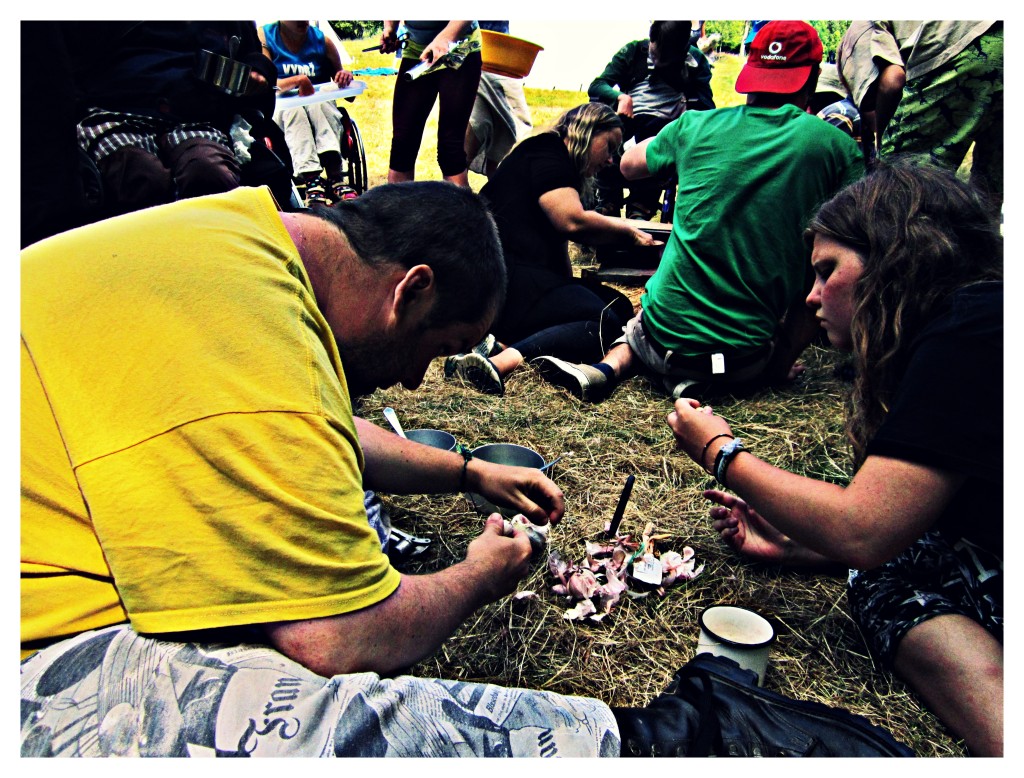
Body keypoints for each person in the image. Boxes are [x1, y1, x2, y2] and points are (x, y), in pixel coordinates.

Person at [20, 182, 912, 758]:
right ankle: (668, 746)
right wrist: (480, 573)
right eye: (433, 347)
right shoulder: (259, 346)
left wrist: (468, 472)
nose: (415, 382)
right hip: (35, 669)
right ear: (410, 289)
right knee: (311, 721)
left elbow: (319, 433)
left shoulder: (230, 246)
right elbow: (340, 641)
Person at [666, 160, 1003, 756]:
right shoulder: (957, 328)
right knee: (881, 582)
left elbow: (864, 528)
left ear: (896, 260)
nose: (811, 295)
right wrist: (807, 545)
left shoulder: (972, 329)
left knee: (882, 580)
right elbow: (919, 523)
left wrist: (719, 451)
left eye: (827, 271)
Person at [535, 21, 863, 404]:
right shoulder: (836, 148)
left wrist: (678, 143)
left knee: (639, 326)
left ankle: (609, 368)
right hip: (739, 360)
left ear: (751, 74)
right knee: (811, 275)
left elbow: (628, 165)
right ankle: (709, 381)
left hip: (658, 338)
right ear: (811, 76)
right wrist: (779, 364)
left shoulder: (695, 126)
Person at [443, 103, 659, 396]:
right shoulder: (547, 152)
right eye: (609, 147)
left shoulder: (556, 162)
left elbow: (558, 245)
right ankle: (501, 361)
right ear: (587, 131)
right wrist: (629, 233)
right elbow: (571, 221)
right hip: (501, 279)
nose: (610, 159)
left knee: (617, 306)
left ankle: (499, 343)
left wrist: (569, 291)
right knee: (602, 321)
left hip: (518, 278)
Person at [69, 21, 278, 217]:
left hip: (195, 113)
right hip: (114, 110)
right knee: (140, 178)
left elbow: (248, 50)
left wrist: (258, 70)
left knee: (208, 173)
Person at [836, 21, 1002, 210]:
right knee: (988, 192)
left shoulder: (857, 32)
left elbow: (891, 82)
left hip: (970, 43)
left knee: (895, 187)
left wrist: (883, 150)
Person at [588, 20, 715, 220]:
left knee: (660, 145)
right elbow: (597, 86)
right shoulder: (634, 51)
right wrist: (621, 98)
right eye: (655, 56)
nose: (658, 63)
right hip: (629, 120)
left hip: (666, 128)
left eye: (667, 61)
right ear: (651, 40)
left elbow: (706, 108)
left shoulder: (695, 61)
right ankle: (608, 199)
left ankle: (642, 203)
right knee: (605, 136)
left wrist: (688, 116)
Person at [259, 21, 357, 205]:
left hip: (318, 107)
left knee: (321, 104)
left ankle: (335, 175)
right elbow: (264, 82)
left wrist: (344, 77)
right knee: (294, 112)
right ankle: (311, 177)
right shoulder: (265, 37)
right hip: (283, 107)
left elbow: (349, 95)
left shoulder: (323, 42)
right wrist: (297, 81)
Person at [379, 20, 482, 187]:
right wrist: (390, 28)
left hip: (459, 49)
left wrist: (445, 37)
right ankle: (397, 204)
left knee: (450, 149)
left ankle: (461, 205)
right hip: (416, 52)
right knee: (402, 145)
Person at [465, 21, 534, 177]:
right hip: (469, 55)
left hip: (500, 57)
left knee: (515, 136)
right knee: (472, 130)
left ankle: (498, 187)